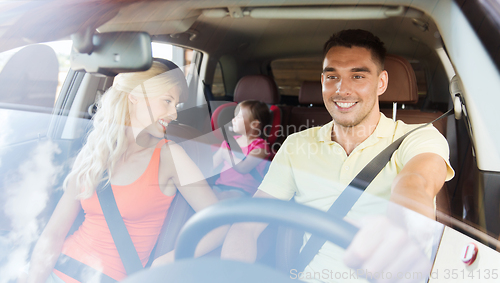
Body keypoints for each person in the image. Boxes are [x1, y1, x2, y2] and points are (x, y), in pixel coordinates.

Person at [221, 29, 454, 282]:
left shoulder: (419, 137)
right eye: (332, 76)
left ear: (381, 82)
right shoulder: (296, 144)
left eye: (358, 76)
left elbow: (416, 182)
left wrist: (402, 225)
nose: (342, 89)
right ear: (322, 81)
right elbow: (247, 224)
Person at [26, 61, 225, 283]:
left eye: (175, 105)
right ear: (135, 95)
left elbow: (221, 222)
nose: (173, 114)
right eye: (167, 101)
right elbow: (53, 234)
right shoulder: (95, 152)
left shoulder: (170, 156)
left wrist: (166, 262)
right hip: (57, 270)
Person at [212, 100, 272, 199]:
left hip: (244, 191)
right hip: (219, 186)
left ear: (254, 124)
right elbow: (212, 165)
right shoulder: (228, 143)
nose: (233, 120)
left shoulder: (260, 147)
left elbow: (244, 168)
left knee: (221, 198)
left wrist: (226, 154)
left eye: (238, 117)